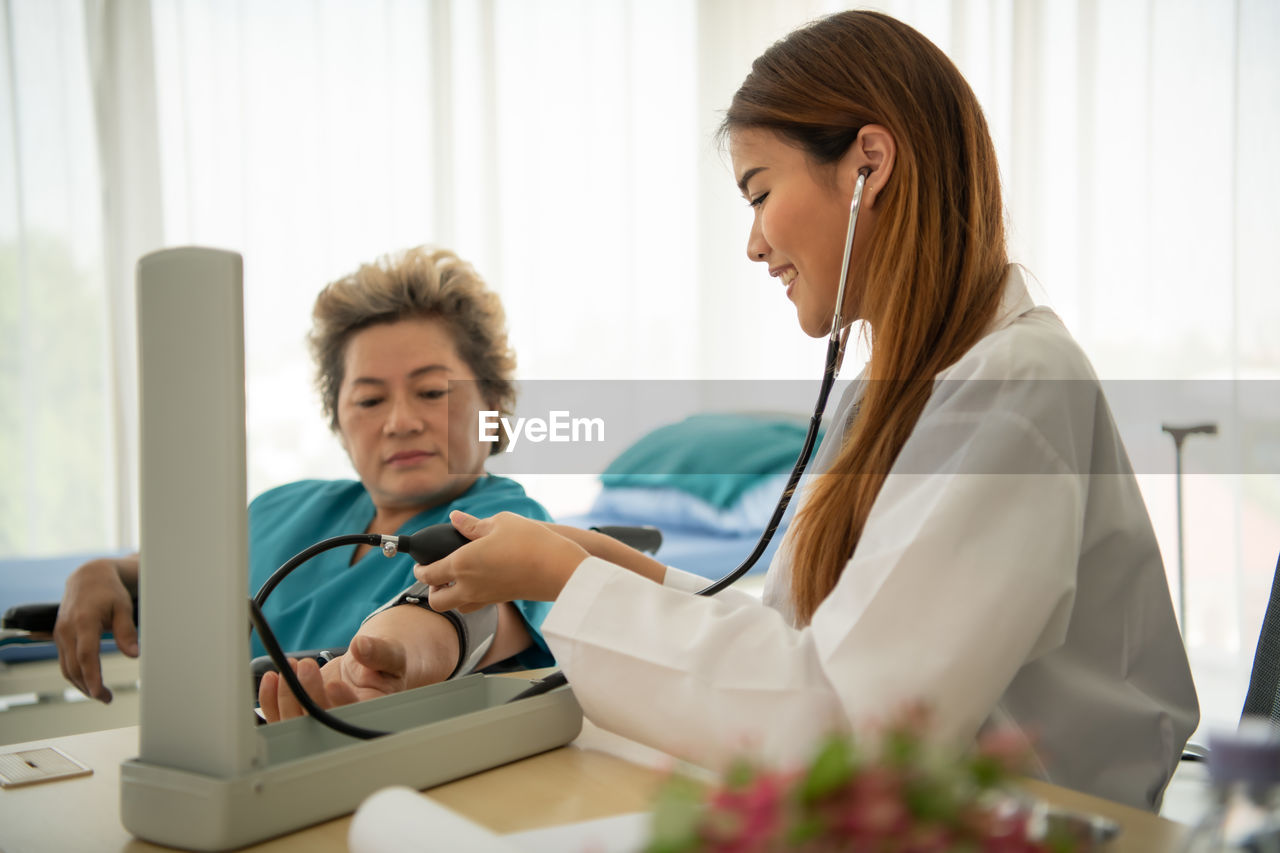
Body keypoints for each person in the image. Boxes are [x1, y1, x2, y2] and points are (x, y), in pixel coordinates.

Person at [286, 11, 1200, 811]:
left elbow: (843, 721)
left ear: (867, 166)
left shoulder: (1015, 388)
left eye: (760, 191)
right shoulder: (900, 389)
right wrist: (586, 561)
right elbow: (800, 637)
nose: (755, 242)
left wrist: (563, 581)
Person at [52, 246, 556, 711]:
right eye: (369, 400)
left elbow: (467, 618)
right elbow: (164, 569)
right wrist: (99, 573)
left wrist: (386, 662)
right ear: (338, 418)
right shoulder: (280, 511)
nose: (400, 421)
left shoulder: (509, 526)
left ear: (492, 404)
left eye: (430, 391)